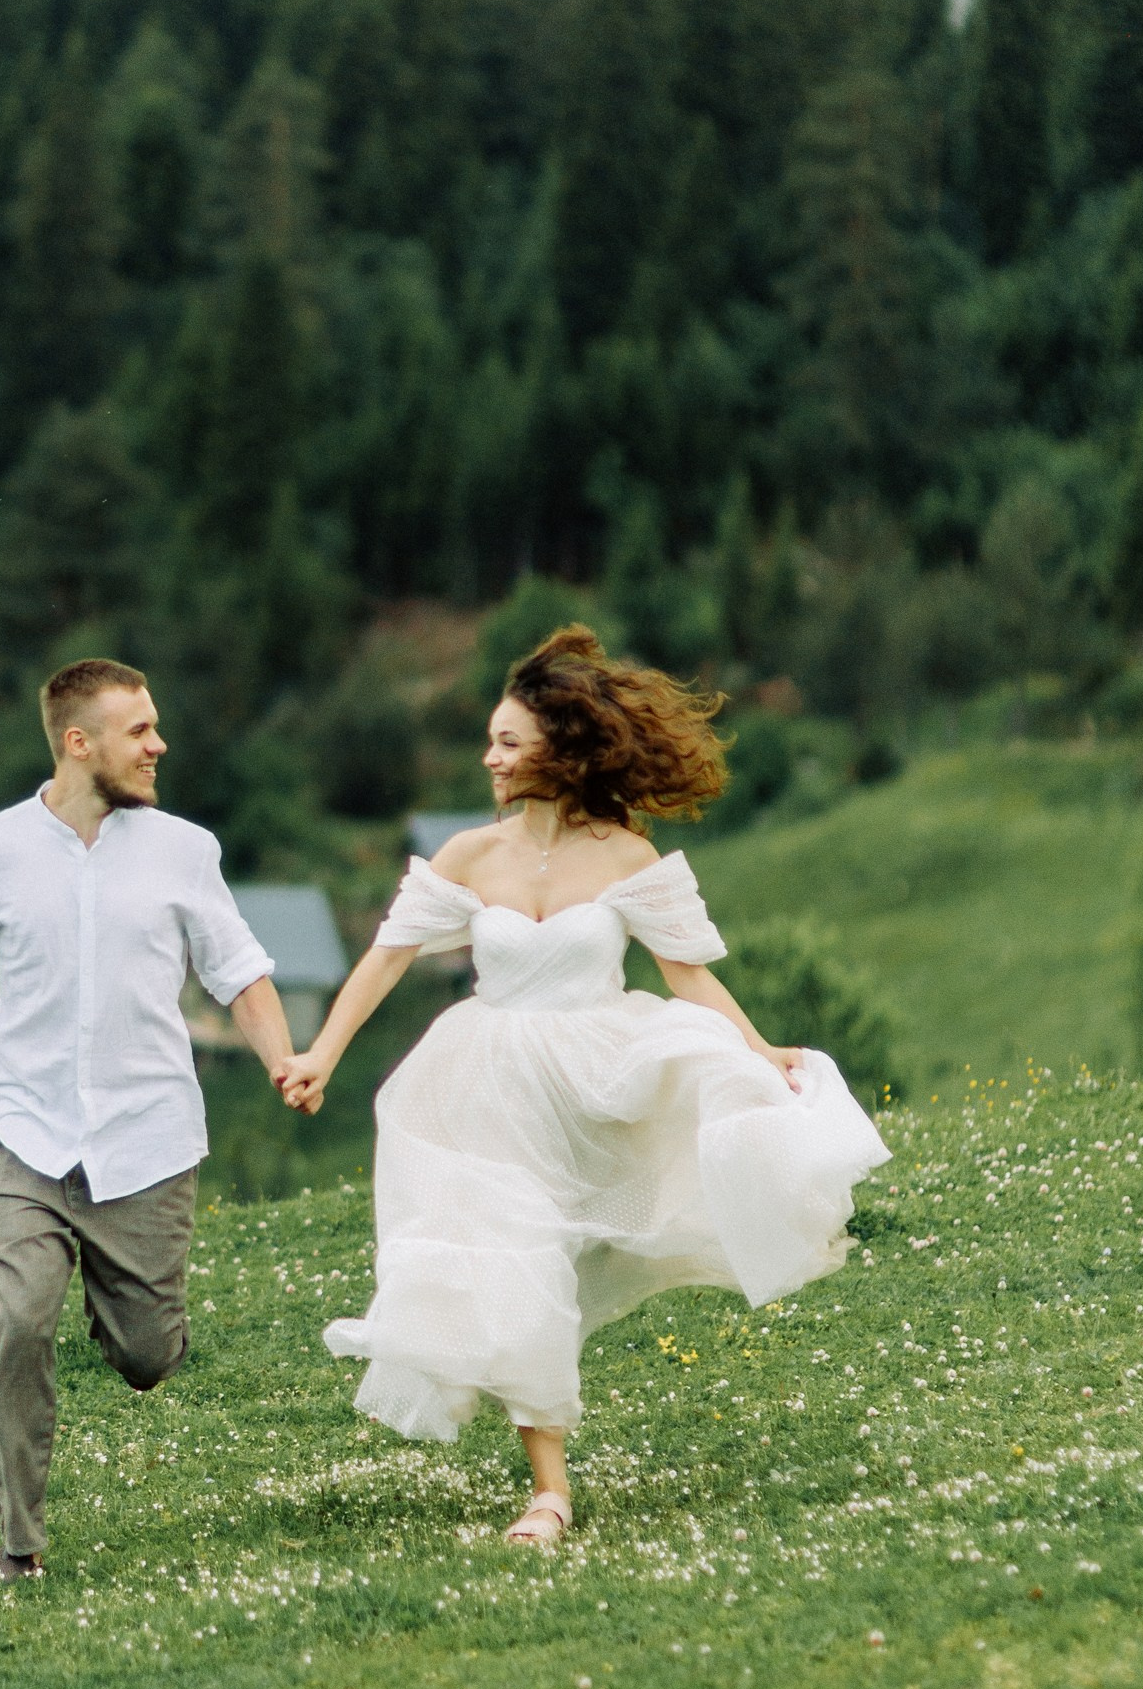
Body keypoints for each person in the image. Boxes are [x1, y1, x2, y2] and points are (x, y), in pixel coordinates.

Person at [280, 626, 888, 1547]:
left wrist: (760, 1052)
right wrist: (320, 1053)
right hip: (484, 1086)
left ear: (561, 749)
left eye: (509, 741)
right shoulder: (468, 858)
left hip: (598, 1074)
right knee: (520, 1259)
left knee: (570, 1251)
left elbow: (688, 975)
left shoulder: (625, 857)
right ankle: (548, 1492)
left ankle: (551, 1472)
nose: (490, 757)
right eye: (488, 740)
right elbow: (385, 959)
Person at [0, 657, 294, 1582]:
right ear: (80, 744)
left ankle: (129, 1319)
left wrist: (284, 1065)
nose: (160, 745)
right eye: (140, 730)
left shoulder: (184, 850)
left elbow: (240, 971)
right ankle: (19, 1547)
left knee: (149, 1355)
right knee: (21, 1318)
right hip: (20, 1134)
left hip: (146, 1140)